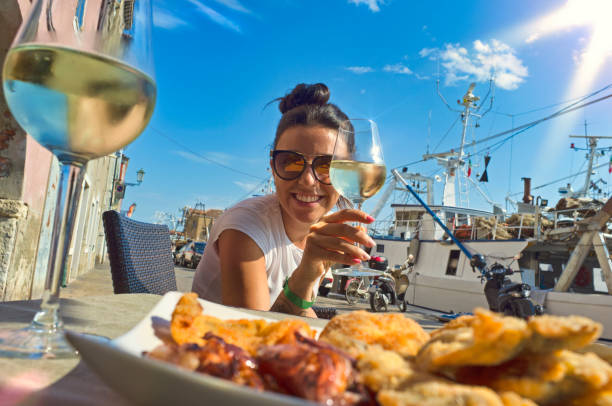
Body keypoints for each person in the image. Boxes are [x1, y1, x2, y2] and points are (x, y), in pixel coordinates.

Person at [192, 83, 375, 317]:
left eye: (327, 166)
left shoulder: (322, 232)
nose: (308, 180)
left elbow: (300, 312)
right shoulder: (245, 227)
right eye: (291, 162)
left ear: (347, 172)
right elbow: (256, 336)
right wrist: (305, 275)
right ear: (272, 166)